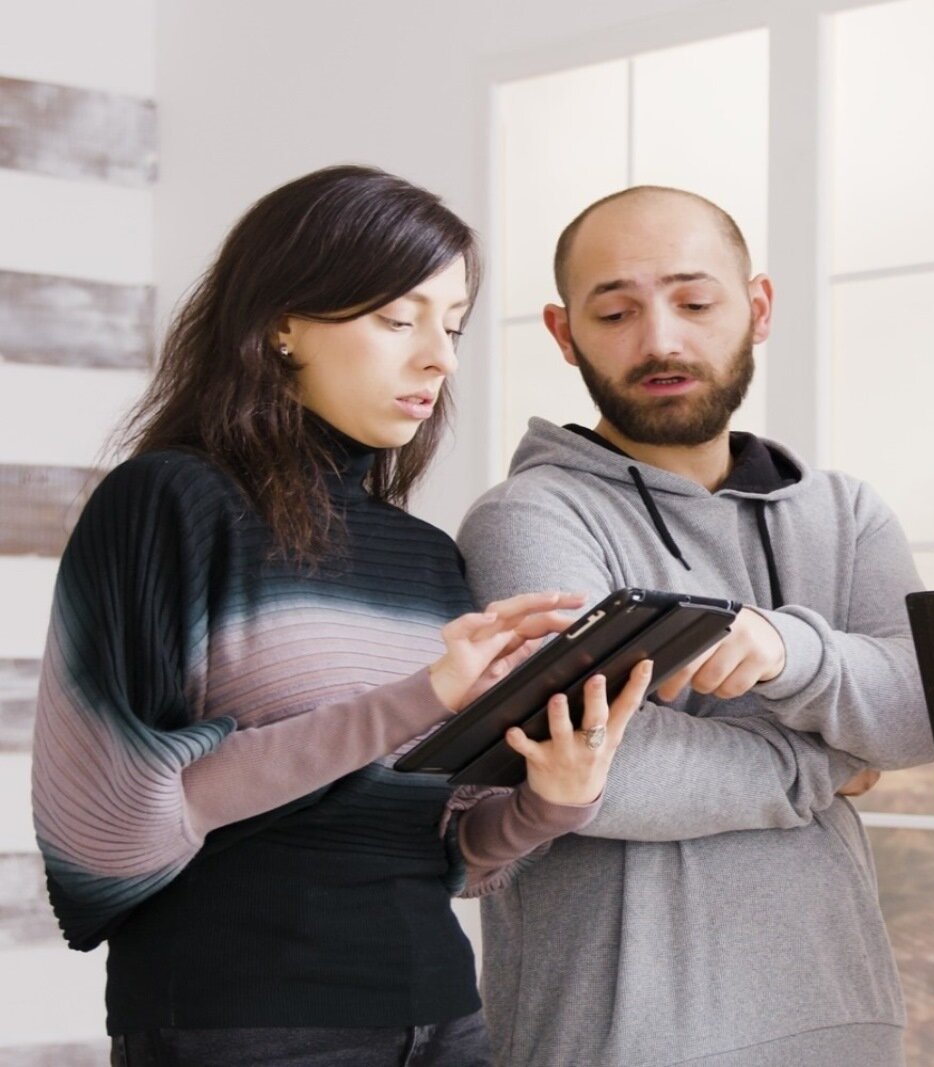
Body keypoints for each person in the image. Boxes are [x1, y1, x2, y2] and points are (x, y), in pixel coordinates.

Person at [30, 164, 650, 1067]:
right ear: (282, 323)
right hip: (240, 1023)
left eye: (452, 326)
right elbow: (116, 820)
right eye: (398, 319)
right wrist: (413, 699)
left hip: (442, 1018)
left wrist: (556, 798)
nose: (436, 356)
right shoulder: (167, 502)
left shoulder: (428, 554)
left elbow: (451, 855)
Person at [455, 185, 934, 1066]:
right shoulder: (526, 518)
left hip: (842, 1021)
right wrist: (824, 761)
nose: (661, 340)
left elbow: (921, 714)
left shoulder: (846, 512)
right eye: (616, 311)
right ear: (565, 336)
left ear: (756, 308)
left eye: (695, 301)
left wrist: (791, 653)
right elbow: (602, 765)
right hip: (617, 1039)